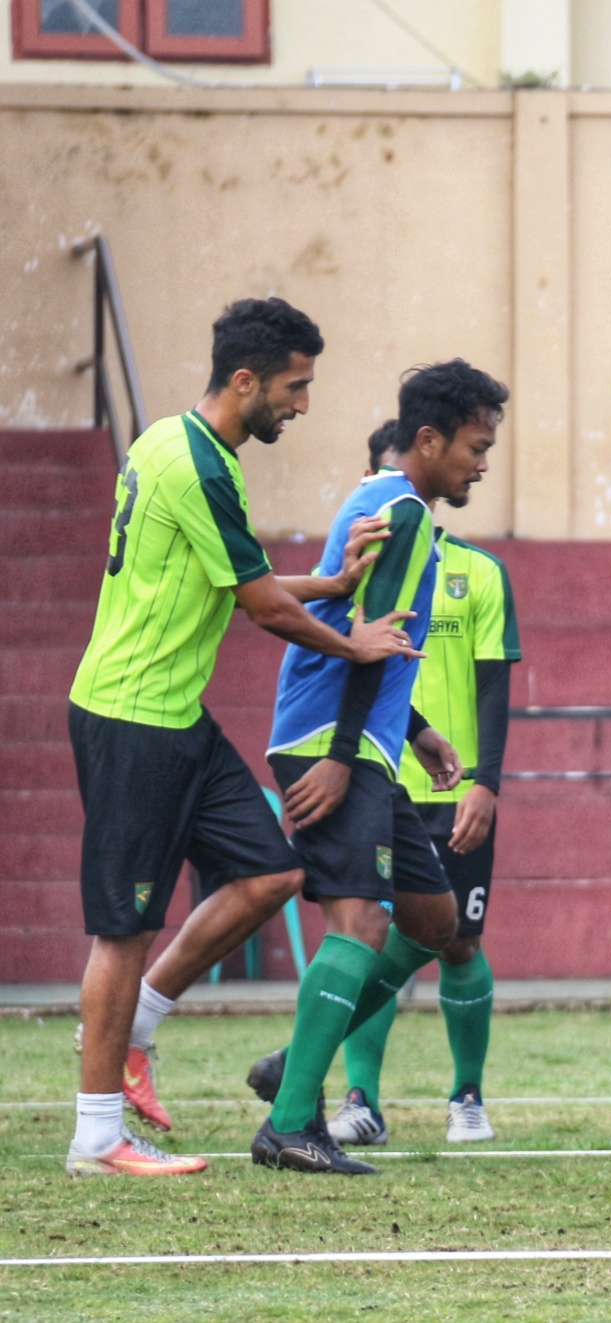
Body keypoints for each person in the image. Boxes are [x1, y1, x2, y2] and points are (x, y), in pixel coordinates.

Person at [63, 298, 422, 1177]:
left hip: (177, 716)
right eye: (296, 388)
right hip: (132, 716)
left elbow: (237, 572)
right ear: (246, 379)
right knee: (123, 931)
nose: (302, 406)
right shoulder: (201, 467)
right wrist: (355, 638)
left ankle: (135, 1028)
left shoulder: (170, 443)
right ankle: (97, 1137)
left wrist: (334, 579)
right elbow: (261, 606)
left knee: (271, 870)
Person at [245, 359, 509, 1175]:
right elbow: (360, 643)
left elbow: (372, 632)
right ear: (426, 439)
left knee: (436, 926)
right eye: (474, 444)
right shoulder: (397, 511)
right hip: (338, 745)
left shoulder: (400, 510)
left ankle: (296, 1061)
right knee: (359, 922)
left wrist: (419, 729)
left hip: (369, 746)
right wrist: (335, 755)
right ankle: (292, 1124)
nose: (482, 461)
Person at [324, 421, 523, 1149]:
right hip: (378, 780)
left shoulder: (478, 571)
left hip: (455, 790)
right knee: (369, 938)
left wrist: (486, 781)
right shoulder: (353, 575)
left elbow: (494, 684)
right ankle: (359, 1099)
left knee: (460, 942)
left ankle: (466, 1097)